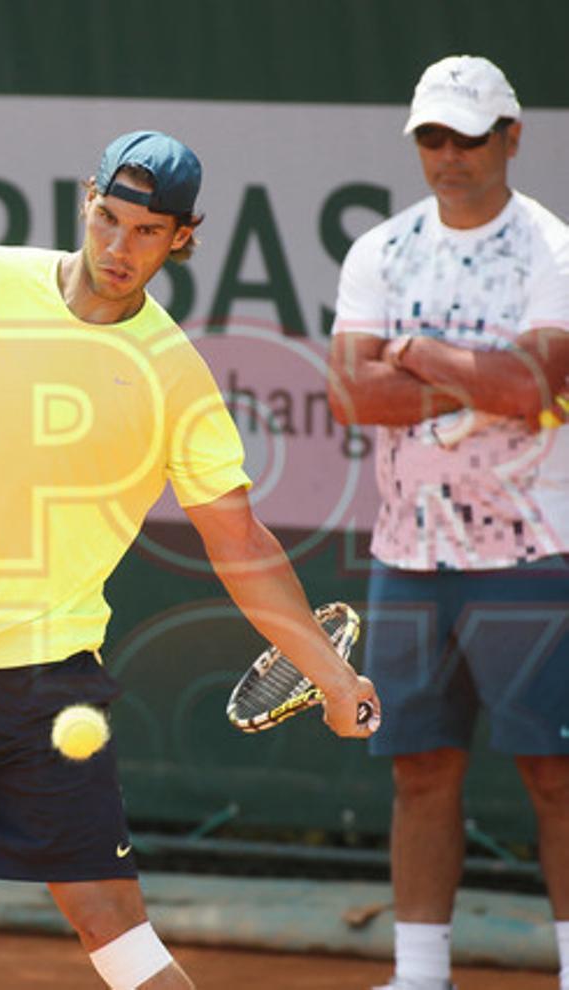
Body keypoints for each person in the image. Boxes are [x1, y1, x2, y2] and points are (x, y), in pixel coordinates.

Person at [0, 130, 380, 990]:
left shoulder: (174, 378)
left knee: (117, 932)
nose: (119, 248)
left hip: (44, 686)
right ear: (87, 202)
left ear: (182, 237)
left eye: (146, 232)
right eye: (109, 219)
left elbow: (240, 544)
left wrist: (335, 679)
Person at [327, 56, 569, 990]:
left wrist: (417, 350)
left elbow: (532, 384)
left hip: (533, 554)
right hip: (408, 557)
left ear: (511, 137)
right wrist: (483, 375)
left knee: (555, 777)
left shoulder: (551, 250)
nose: (450, 155)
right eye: (433, 136)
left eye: (470, 136)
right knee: (419, 771)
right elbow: (351, 394)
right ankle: (420, 975)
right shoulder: (379, 252)